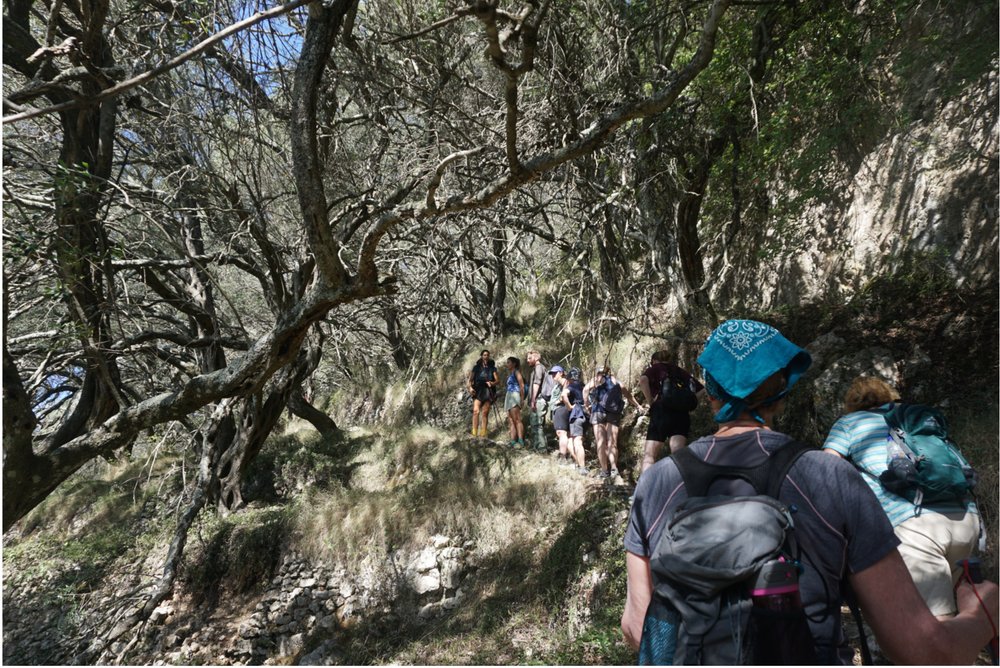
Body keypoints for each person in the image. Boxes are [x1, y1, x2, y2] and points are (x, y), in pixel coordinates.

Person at [622, 319, 998, 664]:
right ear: (783, 391)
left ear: (712, 395)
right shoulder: (828, 476)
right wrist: (984, 614)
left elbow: (638, 628)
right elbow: (922, 651)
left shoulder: (656, 482)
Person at [823, 376, 982, 619]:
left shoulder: (848, 423)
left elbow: (826, 468)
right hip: (966, 519)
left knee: (936, 624)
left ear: (851, 402)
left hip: (916, 526)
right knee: (970, 617)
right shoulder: (916, 417)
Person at [636, 349, 703, 476]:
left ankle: (643, 494)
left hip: (661, 411)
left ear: (654, 360)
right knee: (679, 452)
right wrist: (689, 402)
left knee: (650, 455)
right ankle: (684, 489)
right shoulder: (679, 371)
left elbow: (643, 380)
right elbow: (701, 389)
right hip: (681, 413)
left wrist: (650, 401)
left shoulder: (655, 368)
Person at [583, 366, 640, 482]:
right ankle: (614, 469)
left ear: (598, 372)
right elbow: (628, 395)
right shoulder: (616, 381)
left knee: (601, 442)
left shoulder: (595, 380)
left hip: (598, 410)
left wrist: (587, 405)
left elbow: (585, 390)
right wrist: (638, 405)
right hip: (613, 412)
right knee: (612, 441)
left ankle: (604, 471)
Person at [561, 368, 589, 475]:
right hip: (586, 414)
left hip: (576, 414)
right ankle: (580, 464)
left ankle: (581, 467)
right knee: (575, 441)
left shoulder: (572, 385)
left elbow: (564, 394)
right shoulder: (584, 385)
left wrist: (569, 407)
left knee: (577, 442)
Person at [526, 351, 554, 453]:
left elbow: (537, 383)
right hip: (540, 400)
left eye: (529, 358)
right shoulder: (540, 368)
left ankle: (541, 449)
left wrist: (533, 400)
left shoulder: (538, 368)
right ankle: (540, 447)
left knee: (536, 425)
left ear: (536, 358)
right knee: (538, 425)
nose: (527, 360)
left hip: (538, 400)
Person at [466, 350, 498, 437]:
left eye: (487, 355)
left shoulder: (492, 368)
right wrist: (470, 388)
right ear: (481, 356)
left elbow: (497, 381)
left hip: (488, 391)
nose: (486, 356)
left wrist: (491, 383)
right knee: (476, 411)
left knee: (485, 412)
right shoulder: (476, 368)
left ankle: (483, 433)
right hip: (478, 391)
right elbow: (470, 380)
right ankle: (474, 433)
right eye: (484, 355)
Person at [547, 366, 572, 466]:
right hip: (558, 410)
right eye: (552, 373)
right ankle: (568, 455)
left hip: (561, 409)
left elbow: (565, 392)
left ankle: (563, 456)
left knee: (562, 433)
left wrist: (559, 400)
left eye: (555, 373)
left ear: (561, 373)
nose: (553, 375)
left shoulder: (564, 381)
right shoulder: (558, 384)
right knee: (563, 433)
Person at [504, 356, 527, 448]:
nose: (507, 364)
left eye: (509, 362)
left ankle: (521, 440)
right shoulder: (511, 374)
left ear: (514, 364)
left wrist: (521, 399)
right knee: (510, 420)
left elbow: (521, 385)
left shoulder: (516, 372)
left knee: (517, 419)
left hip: (514, 395)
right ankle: (513, 441)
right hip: (509, 396)